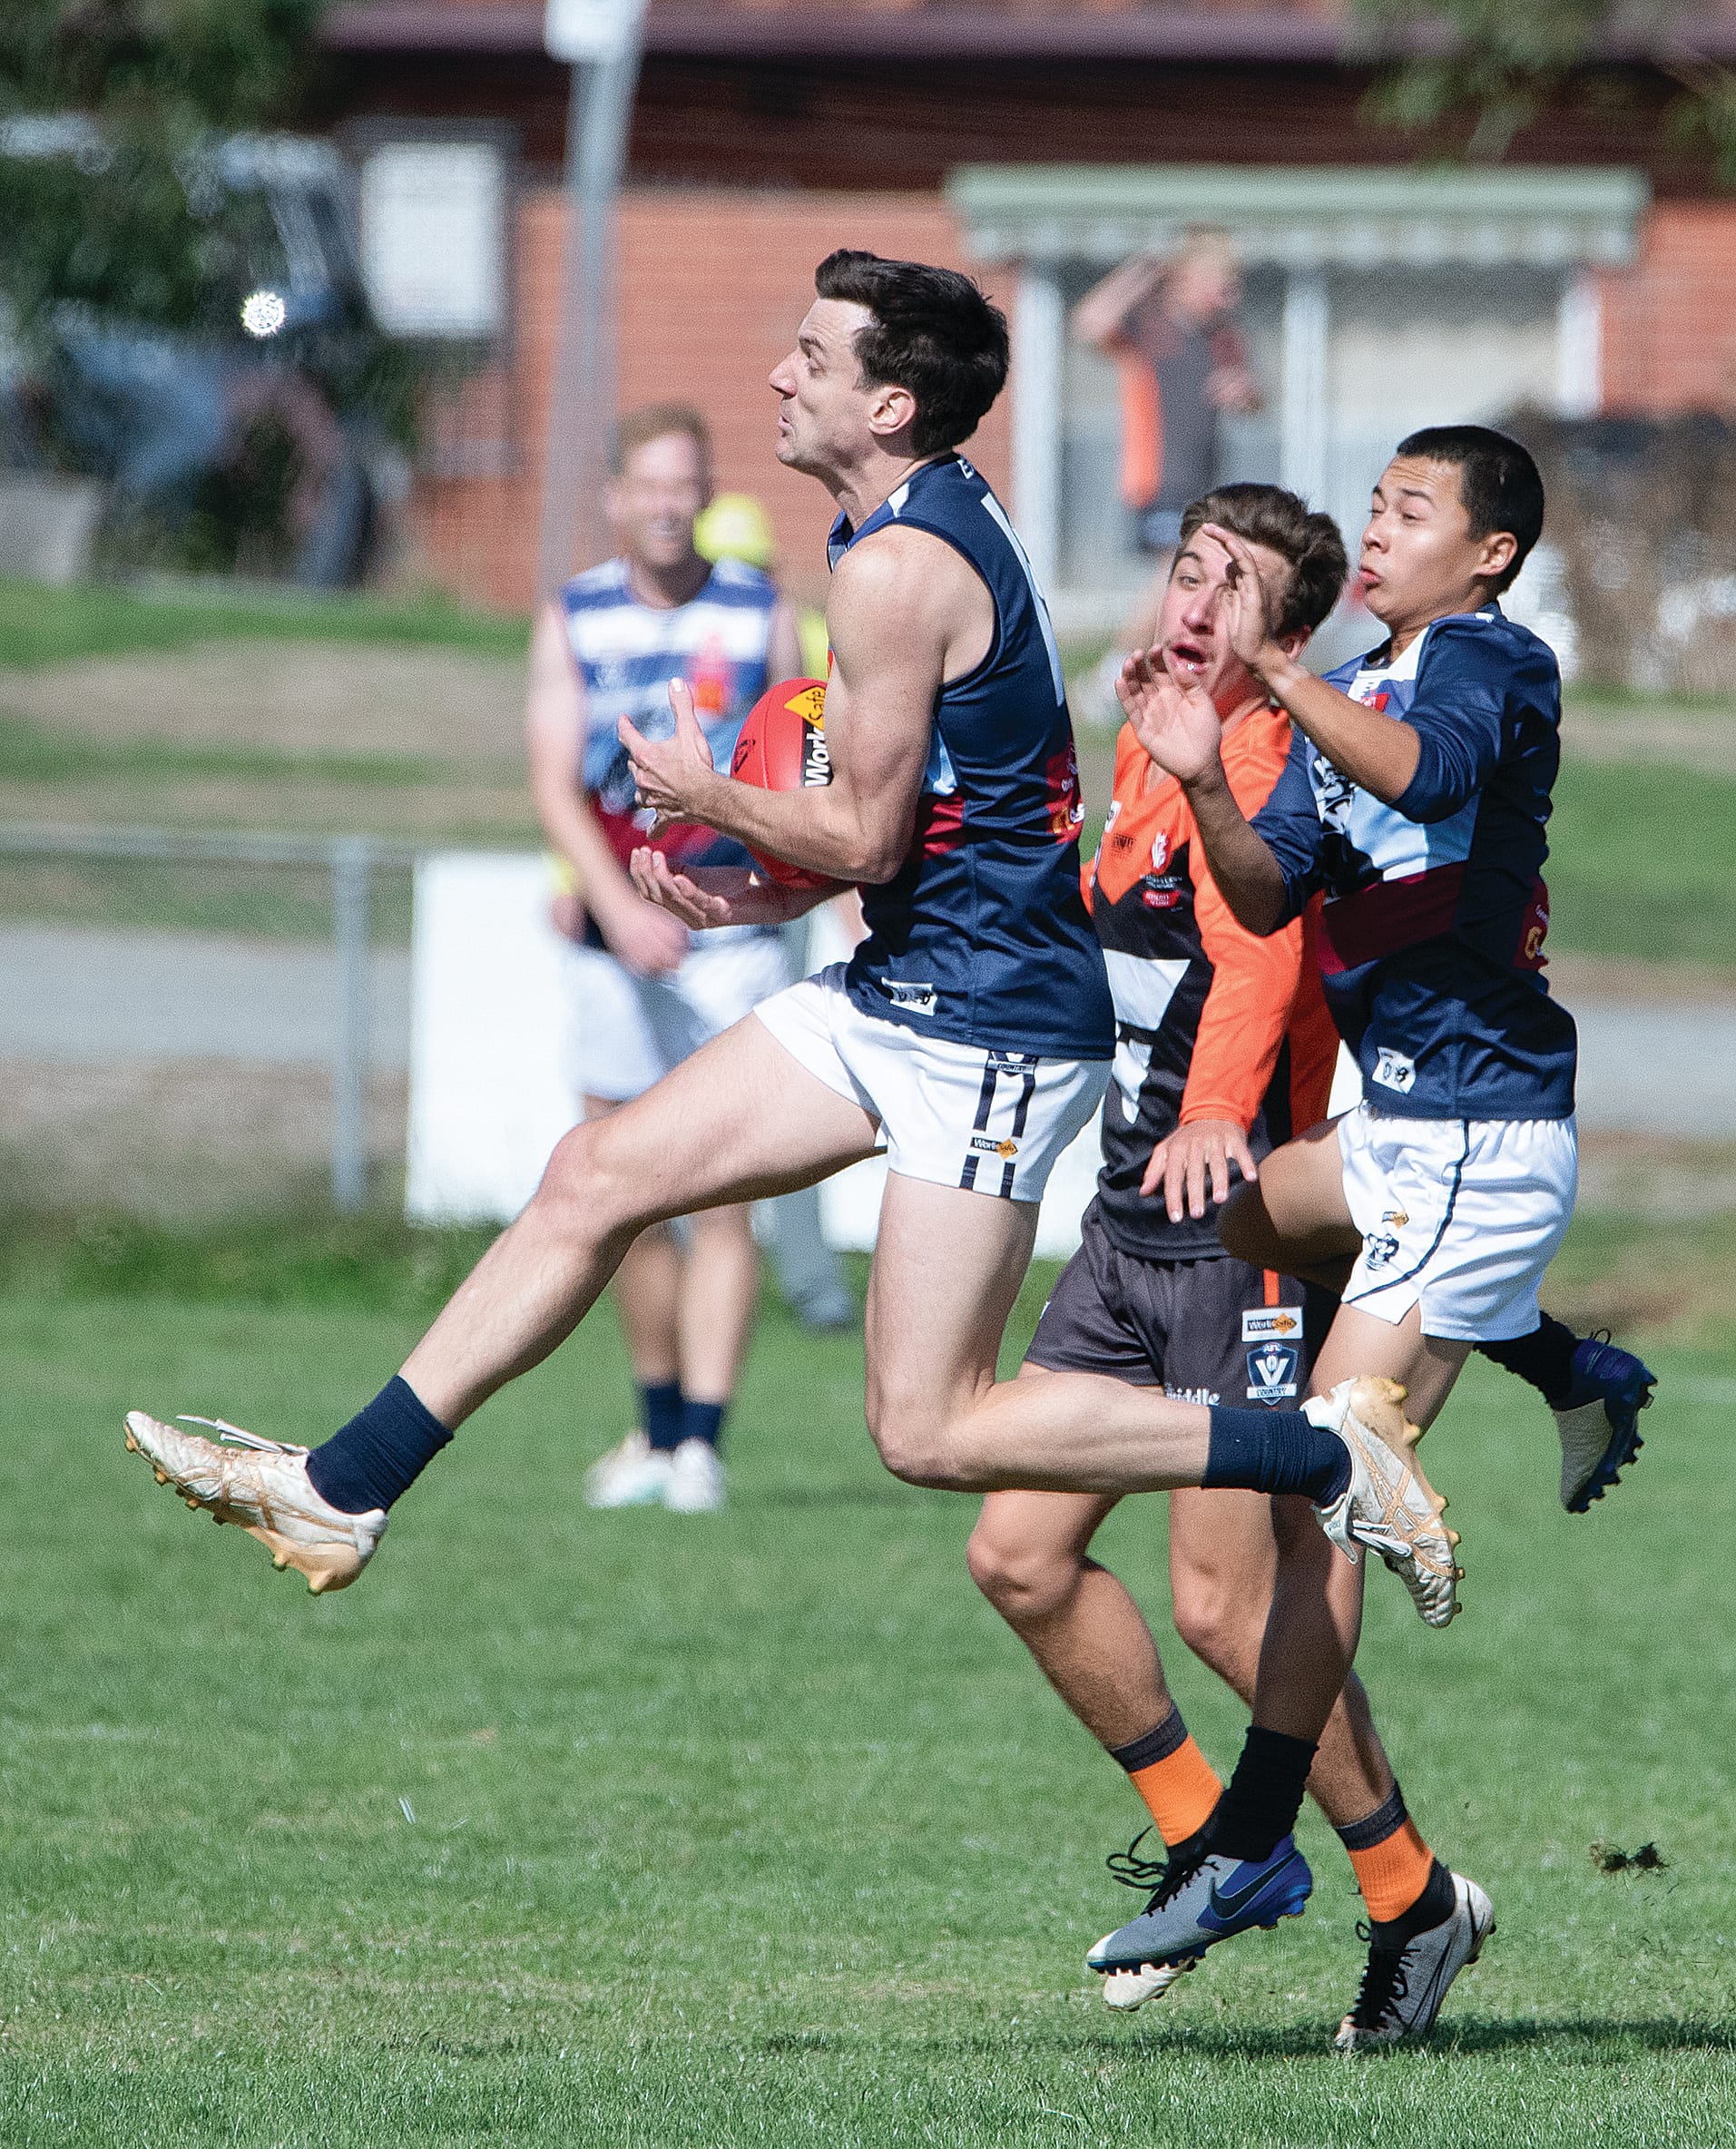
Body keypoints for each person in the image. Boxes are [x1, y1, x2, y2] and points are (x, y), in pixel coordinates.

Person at [123, 258, 1450, 1703]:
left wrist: (711, 794)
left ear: (888, 404)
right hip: (905, 984)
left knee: (929, 1429)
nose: (778, 374)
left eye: (812, 357)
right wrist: (762, 883)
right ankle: (343, 1487)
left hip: (990, 1031)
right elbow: (932, 819)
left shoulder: (899, 566)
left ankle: (1320, 1450)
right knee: (595, 1173)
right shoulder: (892, 526)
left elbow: (869, 829)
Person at [1078, 425, 1655, 2001]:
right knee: (1252, 1221)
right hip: (1389, 1132)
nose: (1381, 528)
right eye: (1377, 504)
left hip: (1477, 1131)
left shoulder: (1491, 663)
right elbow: (1269, 888)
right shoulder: (1354, 693)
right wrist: (1206, 777)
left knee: (1311, 1500)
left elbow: (1433, 774)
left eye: (1413, 510)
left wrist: (1271, 676)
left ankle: (1258, 1839)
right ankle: (1558, 1364)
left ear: (1488, 553)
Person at [968, 481, 1495, 2050]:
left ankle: (1404, 1896)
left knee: (1221, 1602)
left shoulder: (1260, 763)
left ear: (1289, 636)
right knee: (1017, 1554)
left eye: (1237, 589)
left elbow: (1260, 952)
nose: (1195, 604)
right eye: (1187, 570)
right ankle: (1219, 1839)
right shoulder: (1150, 737)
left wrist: (1212, 1111)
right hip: (1123, 1227)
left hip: (1237, 1234)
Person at [531, 402, 803, 1513]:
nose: (664, 505)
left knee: (720, 1198)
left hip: (729, 934)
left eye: (683, 485)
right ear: (614, 495)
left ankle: (702, 1443)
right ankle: (650, 1426)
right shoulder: (575, 615)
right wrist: (611, 906)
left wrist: (762, 895)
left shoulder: (759, 613)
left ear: (707, 494)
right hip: (617, 939)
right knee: (616, 1192)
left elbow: (798, 771)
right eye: (647, 484)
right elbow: (554, 781)